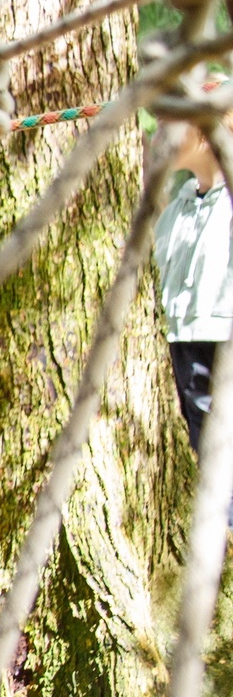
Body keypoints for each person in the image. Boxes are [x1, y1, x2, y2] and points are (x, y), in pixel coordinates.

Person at [155, 122, 233, 522]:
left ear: (204, 134)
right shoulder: (175, 209)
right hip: (183, 346)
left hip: (221, 343)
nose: (160, 134)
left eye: (173, 125)